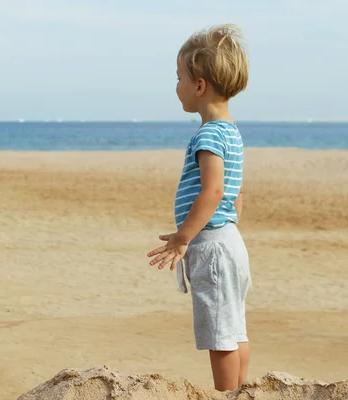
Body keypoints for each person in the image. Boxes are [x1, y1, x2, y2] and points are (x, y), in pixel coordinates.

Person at [146, 23, 252, 392]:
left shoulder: (208, 134)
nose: (176, 86)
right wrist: (228, 222)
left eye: (179, 78)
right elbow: (234, 193)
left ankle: (228, 394)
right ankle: (241, 390)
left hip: (213, 247)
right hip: (230, 241)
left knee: (219, 335)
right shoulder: (230, 131)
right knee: (234, 327)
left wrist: (183, 237)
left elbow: (212, 191)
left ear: (200, 85)